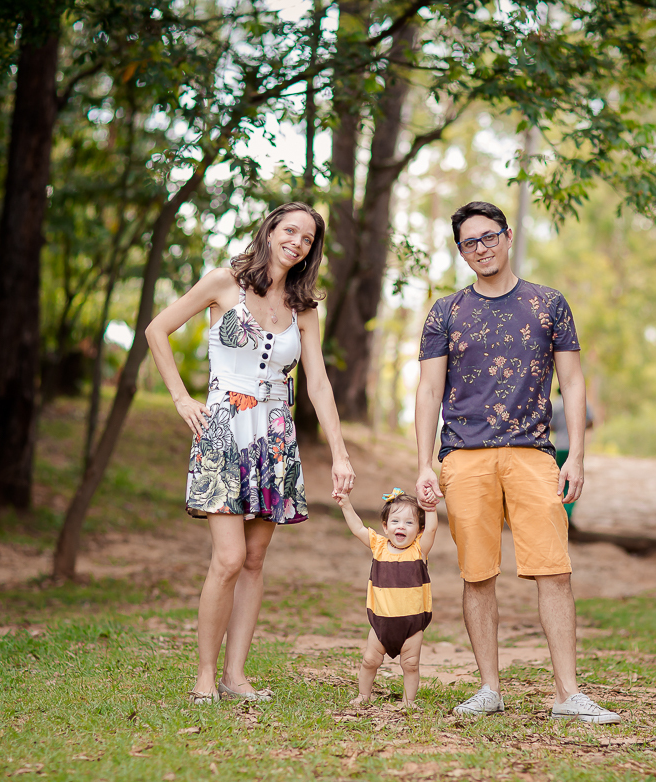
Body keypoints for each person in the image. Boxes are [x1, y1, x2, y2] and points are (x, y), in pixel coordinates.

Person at [414, 200, 620, 724]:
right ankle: (489, 688)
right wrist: (422, 464)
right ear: (460, 250)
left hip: (534, 454)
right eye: (469, 242)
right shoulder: (445, 311)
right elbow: (429, 388)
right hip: (464, 456)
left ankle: (568, 694)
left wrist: (576, 455)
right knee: (477, 574)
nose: (481, 249)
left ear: (507, 237)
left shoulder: (549, 304)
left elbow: (572, 381)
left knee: (555, 572)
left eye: (488, 237)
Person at [146, 202, 356, 705]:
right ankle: (203, 676)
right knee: (229, 557)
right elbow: (158, 329)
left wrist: (341, 454)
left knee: (256, 559)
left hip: (274, 434)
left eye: (308, 239)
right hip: (224, 428)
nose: (298, 242)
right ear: (270, 230)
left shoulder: (305, 309)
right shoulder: (224, 283)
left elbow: (319, 384)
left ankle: (235, 677)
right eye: (291, 231)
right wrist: (180, 396)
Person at [336, 488, 438, 708]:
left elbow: (432, 527)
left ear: (418, 530)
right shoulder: (379, 546)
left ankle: (409, 702)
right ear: (385, 526)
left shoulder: (419, 550)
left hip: (412, 625)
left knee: (410, 664)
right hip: (381, 623)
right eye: (395, 521)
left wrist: (430, 507)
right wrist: (345, 504)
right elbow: (357, 528)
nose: (401, 526)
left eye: (409, 523)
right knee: (370, 660)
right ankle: (363, 696)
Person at [550, 388, 594, 525]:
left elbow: (549, 425)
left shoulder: (556, 404)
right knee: (573, 482)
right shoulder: (583, 403)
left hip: (559, 447)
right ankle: (567, 514)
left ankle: (557, 513)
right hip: (575, 449)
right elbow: (591, 422)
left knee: (559, 482)